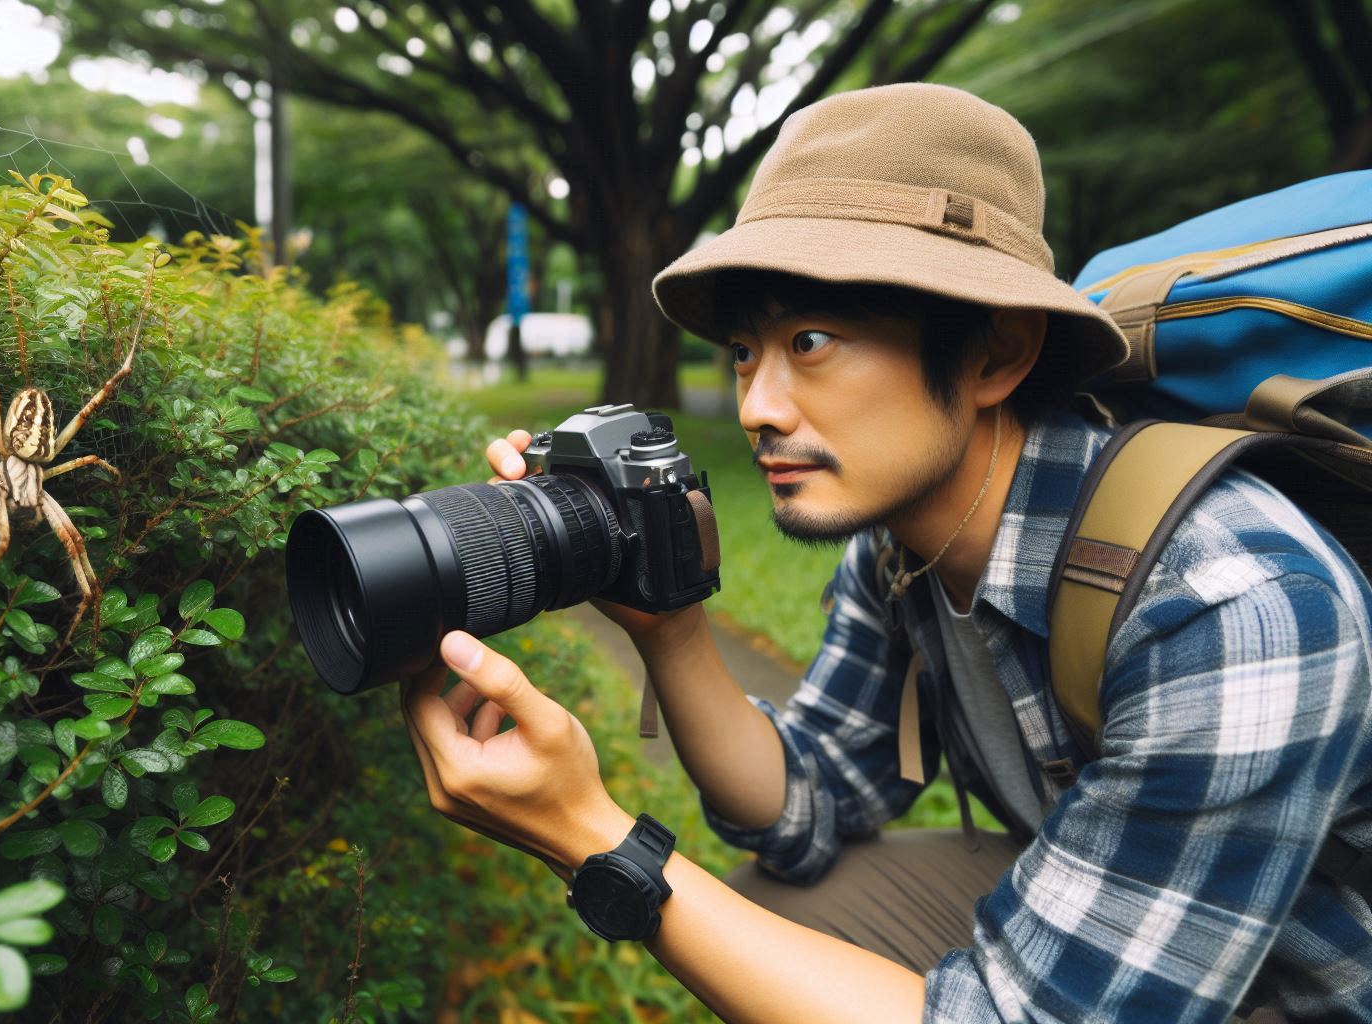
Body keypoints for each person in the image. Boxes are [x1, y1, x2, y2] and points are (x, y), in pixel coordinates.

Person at [398, 83, 1372, 1023]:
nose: (755, 406)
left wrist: (593, 837)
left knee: (722, 926)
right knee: (771, 911)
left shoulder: (1228, 600)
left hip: (1307, 988)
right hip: (1134, 919)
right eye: (745, 349)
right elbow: (806, 806)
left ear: (994, 355)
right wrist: (670, 625)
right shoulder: (902, 545)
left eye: (811, 339)